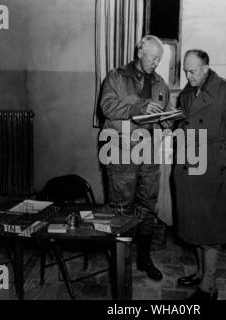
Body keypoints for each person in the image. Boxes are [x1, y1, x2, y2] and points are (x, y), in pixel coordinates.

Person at [173, 49, 226, 300]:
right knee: (194, 227)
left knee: (210, 232)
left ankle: (209, 287)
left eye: (192, 71)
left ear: (206, 68)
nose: (187, 75)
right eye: (185, 70)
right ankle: (200, 273)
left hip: (212, 171)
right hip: (189, 169)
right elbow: (185, 123)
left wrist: (218, 164)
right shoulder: (187, 92)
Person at [100, 35, 174, 281]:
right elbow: (107, 107)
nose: (157, 62)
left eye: (160, 59)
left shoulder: (161, 84)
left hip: (150, 154)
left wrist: (169, 120)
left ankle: (144, 258)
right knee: (121, 208)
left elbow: (165, 115)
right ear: (140, 51)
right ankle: (120, 261)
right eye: (154, 57)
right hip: (121, 152)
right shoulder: (116, 77)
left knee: (148, 207)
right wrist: (138, 109)